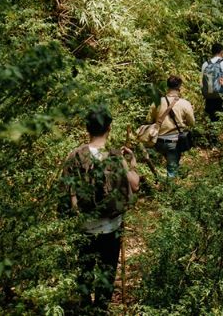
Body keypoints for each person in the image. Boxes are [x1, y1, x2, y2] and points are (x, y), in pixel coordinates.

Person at [61, 107, 140, 314]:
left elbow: (67, 191)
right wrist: (132, 163)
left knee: (84, 270)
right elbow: (134, 185)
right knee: (106, 271)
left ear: (87, 128)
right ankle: (101, 309)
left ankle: (85, 305)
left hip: (83, 226)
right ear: (109, 128)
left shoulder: (74, 156)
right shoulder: (115, 156)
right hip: (111, 226)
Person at [149, 75, 196, 179]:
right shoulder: (185, 104)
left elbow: (150, 120)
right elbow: (192, 123)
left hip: (158, 141)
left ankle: (167, 179)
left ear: (167, 86)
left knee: (171, 163)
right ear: (179, 87)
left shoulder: (156, 103)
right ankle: (170, 190)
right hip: (174, 143)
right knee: (172, 169)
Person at [202, 42, 223, 124]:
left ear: (212, 52)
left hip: (209, 96)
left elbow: (202, 83)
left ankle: (212, 135)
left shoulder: (205, 64)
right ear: (221, 52)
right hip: (222, 95)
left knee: (212, 120)